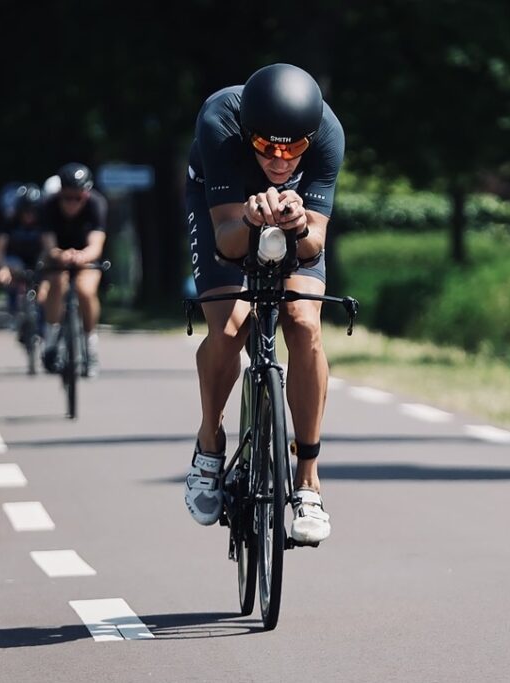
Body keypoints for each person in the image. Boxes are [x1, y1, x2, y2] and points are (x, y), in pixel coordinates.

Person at [182, 63, 344, 545]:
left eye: (293, 149)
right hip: (225, 207)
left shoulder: (328, 133)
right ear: (247, 133)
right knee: (231, 326)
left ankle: (308, 480)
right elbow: (228, 241)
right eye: (266, 146)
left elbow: (313, 244)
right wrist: (251, 220)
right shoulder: (220, 122)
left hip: (293, 214)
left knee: (304, 322)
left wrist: (298, 225)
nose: (279, 160)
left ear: (309, 138)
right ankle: (210, 442)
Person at [38, 162, 108, 376]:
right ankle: (51, 341)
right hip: (58, 256)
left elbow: (96, 244)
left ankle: (90, 346)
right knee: (57, 284)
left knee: (85, 291)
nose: (72, 203)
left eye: (78, 198)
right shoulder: (48, 205)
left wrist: (82, 256)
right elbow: (48, 245)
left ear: (86, 194)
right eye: (67, 197)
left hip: (85, 257)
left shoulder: (96, 204)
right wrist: (61, 255)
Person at [0, 183, 45, 325]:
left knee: (44, 288)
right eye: (26, 211)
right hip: (15, 261)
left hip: (38, 260)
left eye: (33, 211)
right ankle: (14, 311)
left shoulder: (44, 223)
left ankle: (43, 322)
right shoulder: (10, 223)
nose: (29, 215)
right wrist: (2, 268)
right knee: (10, 275)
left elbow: (48, 248)